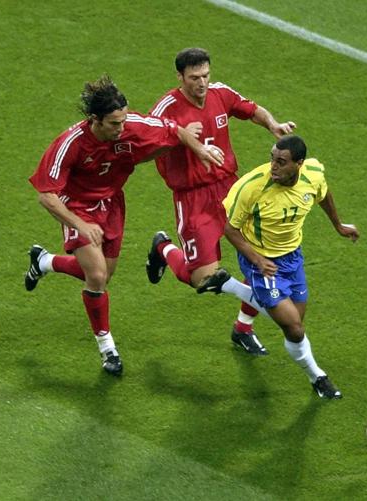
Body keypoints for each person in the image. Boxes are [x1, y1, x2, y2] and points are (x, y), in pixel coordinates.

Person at [24, 75, 223, 375]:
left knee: (103, 275)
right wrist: (80, 224)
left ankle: (45, 261)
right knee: (98, 276)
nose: (122, 127)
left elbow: (174, 130)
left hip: (112, 204)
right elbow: (47, 196)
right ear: (96, 120)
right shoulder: (70, 144)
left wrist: (199, 149)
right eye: (115, 123)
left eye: (124, 120)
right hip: (77, 206)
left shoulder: (132, 125)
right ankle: (108, 349)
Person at [145, 47, 296, 356]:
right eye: (194, 78)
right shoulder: (165, 108)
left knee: (263, 259)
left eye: (205, 75)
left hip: (231, 190)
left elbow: (251, 109)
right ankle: (163, 247)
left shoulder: (220, 93)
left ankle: (243, 328)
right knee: (203, 279)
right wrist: (180, 136)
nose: (202, 83)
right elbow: (147, 150)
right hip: (194, 198)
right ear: (180, 77)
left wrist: (273, 125)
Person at [197, 135, 359, 399]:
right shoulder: (251, 187)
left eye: (281, 162)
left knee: (295, 318)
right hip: (261, 260)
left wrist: (339, 225)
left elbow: (323, 194)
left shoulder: (314, 174)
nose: (273, 166)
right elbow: (230, 229)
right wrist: (257, 261)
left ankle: (227, 285)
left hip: (292, 257)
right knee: (294, 328)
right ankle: (317, 377)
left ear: (299, 164)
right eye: (272, 158)